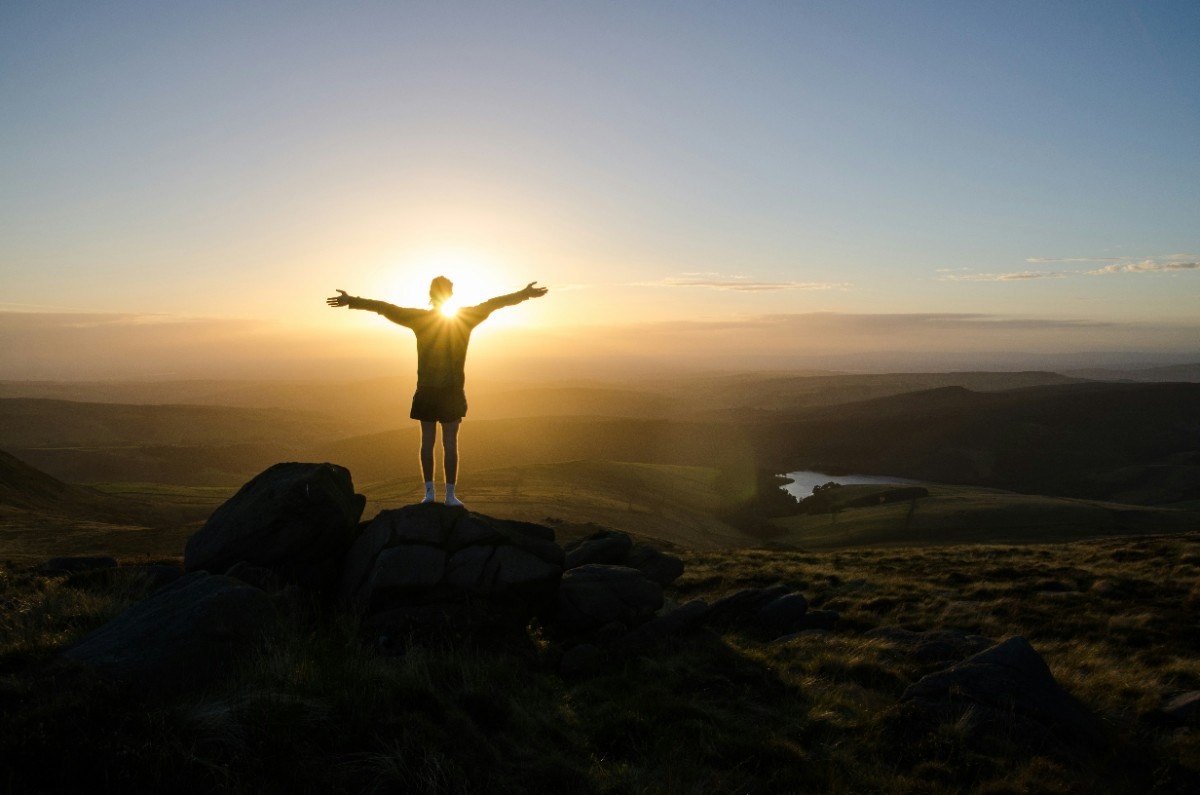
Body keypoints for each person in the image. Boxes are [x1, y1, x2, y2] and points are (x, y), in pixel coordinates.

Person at [326, 277, 548, 508]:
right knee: (450, 443)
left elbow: (385, 308)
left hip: (427, 390)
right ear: (450, 294)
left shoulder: (420, 319)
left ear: (430, 294)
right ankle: (450, 496)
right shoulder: (465, 318)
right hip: (451, 391)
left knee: (427, 442)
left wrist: (351, 300)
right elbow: (494, 303)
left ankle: (429, 494)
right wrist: (524, 294)